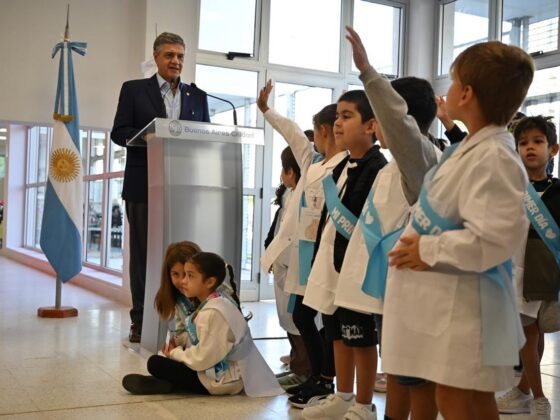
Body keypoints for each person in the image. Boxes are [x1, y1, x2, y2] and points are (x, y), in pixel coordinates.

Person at [379, 36, 534, 419]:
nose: (446, 90)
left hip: (468, 303)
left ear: (466, 94)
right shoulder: (472, 148)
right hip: (452, 299)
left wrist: (426, 250)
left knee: (455, 399)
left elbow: (493, 239)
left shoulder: (495, 156)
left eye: (452, 81)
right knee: (469, 398)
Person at [336, 26, 442, 420]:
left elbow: (400, 126)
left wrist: (368, 73)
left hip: (418, 290)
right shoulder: (401, 165)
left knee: (417, 376)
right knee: (399, 367)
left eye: (378, 116)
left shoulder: (421, 159)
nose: (374, 125)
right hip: (396, 287)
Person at [111, 32, 210, 343]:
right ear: (156, 57)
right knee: (144, 257)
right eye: (169, 55)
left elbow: (205, 138)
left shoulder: (198, 96)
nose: (175, 61)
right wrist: (148, 137)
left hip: (182, 188)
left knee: (184, 256)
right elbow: (118, 132)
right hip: (143, 186)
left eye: (180, 56)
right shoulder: (134, 90)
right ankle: (141, 320)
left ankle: (183, 319)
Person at [301, 89, 387, 419]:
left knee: (360, 337)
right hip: (333, 263)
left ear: (371, 125)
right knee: (336, 332)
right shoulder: (340, 167)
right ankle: (344, 395)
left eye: (347, 116)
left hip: (357, 268)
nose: (337, 123)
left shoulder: (377, 168)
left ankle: (364, 404)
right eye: (336, 116)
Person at [258, 81, 347, 400]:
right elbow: (292, 133)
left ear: (324, 130)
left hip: (325, 256)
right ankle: (316, 376)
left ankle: (322, 377)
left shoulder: (344, 166)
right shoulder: (313, 163)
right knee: (301, 316)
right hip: (303, 256)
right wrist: (267, 111)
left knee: (320, 320)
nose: (312, 139)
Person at [123, 252, 283, 397]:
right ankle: (168, 382)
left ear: (210, 282)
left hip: (222, 380)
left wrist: (175, 354)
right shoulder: (214, 302)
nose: (183, 281)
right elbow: (198, 337)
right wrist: (178, 344)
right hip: (218, 369)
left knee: (155, 363)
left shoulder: (213, 312)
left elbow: (202, 358)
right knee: (164, 359)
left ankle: (170, 383)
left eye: (190, 276)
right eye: (182, 275)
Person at [496, 116, 560, 419]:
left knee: (537, 332)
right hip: (515, 269)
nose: (530, 148)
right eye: (523, 143)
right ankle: (535, 396)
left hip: (544, 271)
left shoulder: (558, 190)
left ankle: (528, 392)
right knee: (529, 333)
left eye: (537, 142)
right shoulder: (511, 188)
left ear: (553, 149)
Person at [263, 146, 312, 388]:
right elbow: (277, 229)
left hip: (296, 269)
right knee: (287, 319)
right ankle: (296, 364)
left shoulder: (305, 195)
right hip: (282, 266)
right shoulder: (289, 194)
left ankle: (304, 369)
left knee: (298, 321)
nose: (282, 176)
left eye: (283, 170)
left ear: (291, 172)